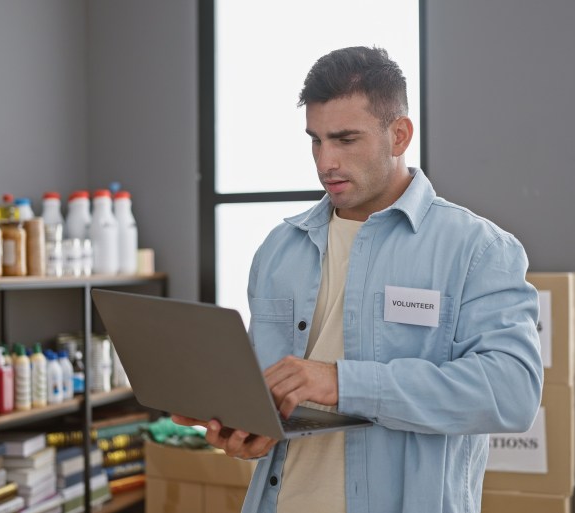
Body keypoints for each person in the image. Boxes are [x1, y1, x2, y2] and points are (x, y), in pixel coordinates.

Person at [173, 46, 543, 513]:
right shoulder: (277, 249)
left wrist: (342, 383)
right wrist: (244, 428)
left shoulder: (478, 249)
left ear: (400, 135)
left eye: (345, 140)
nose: (325, 161)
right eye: (315, 140)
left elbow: (512, 393)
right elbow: (271, 394)